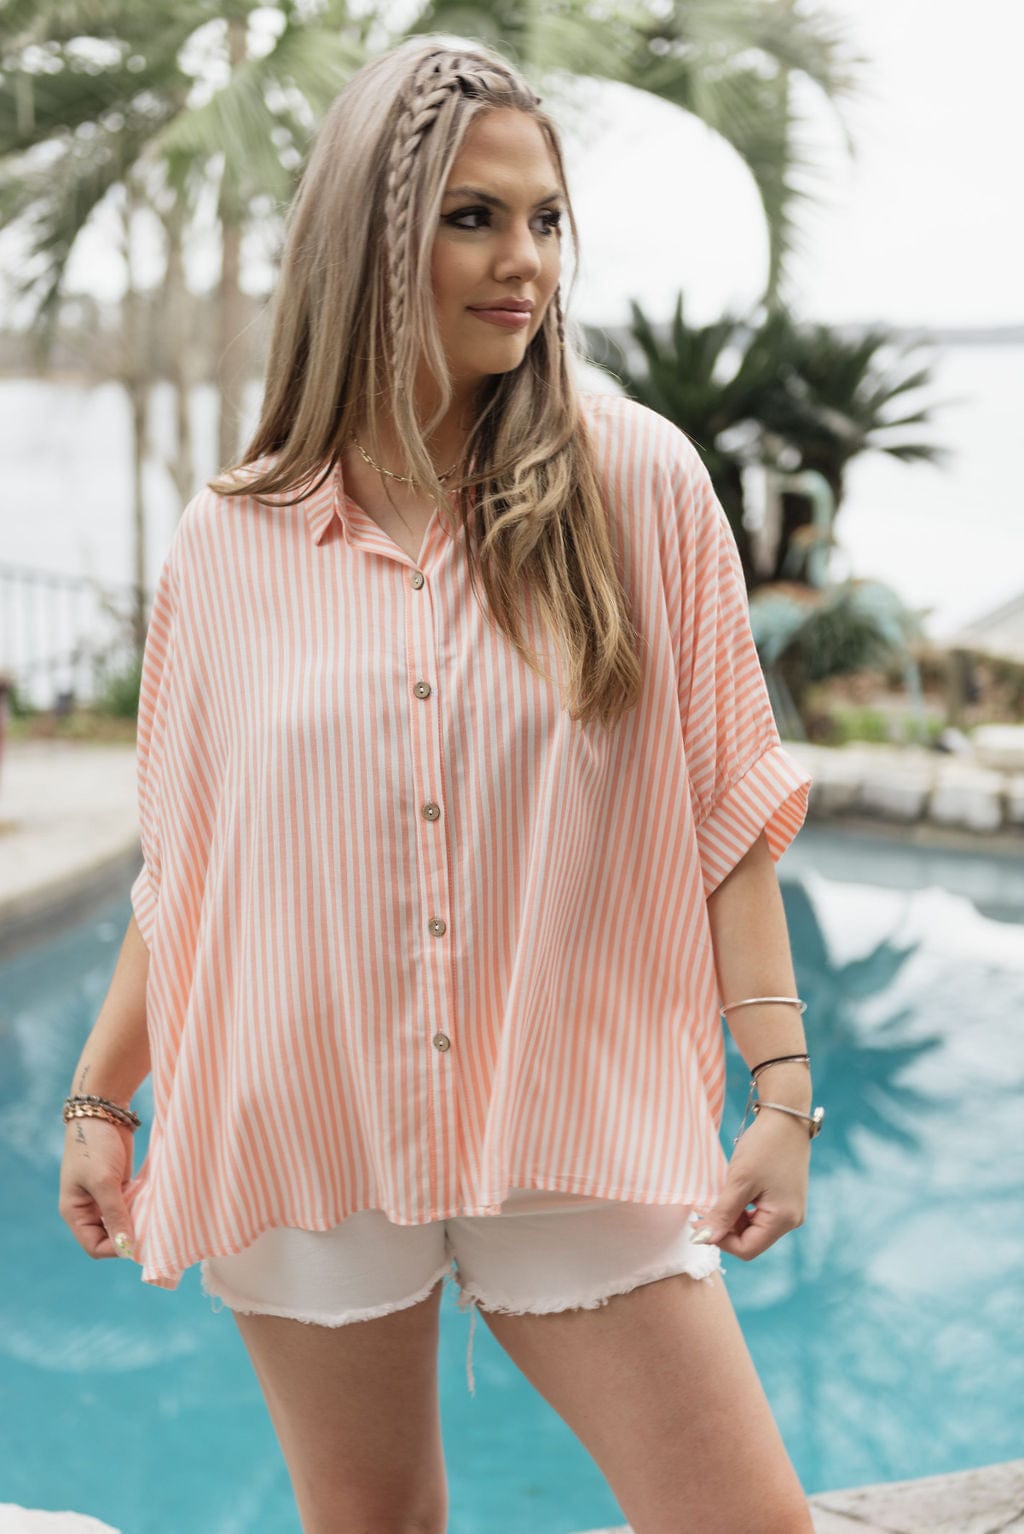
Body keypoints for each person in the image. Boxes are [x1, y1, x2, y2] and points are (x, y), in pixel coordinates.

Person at [59, 36, 823, 1534]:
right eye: (475, 216)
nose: (523, 260)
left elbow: (728, 803)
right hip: (308, 1110)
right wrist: (104, 1089)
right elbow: (191, 861)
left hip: (573, 1110)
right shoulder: (232, 541)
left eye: (545, 220)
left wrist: (782, 1091)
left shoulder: (639, 484)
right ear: (370, 240)